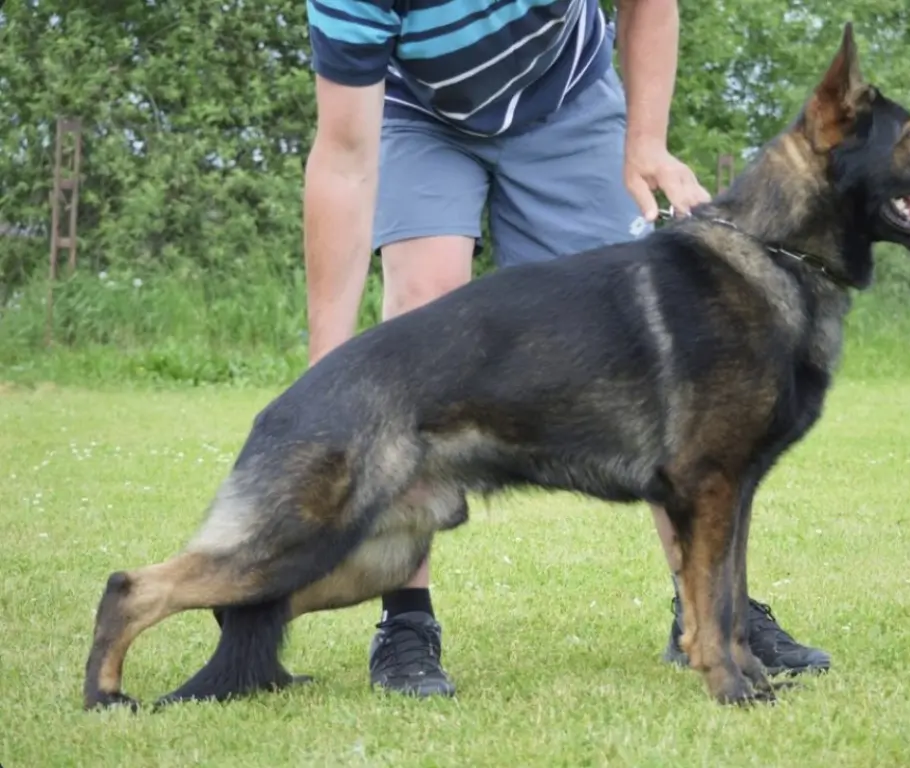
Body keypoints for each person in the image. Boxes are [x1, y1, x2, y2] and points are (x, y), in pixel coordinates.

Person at [302, 0, 830, 697]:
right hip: (418, 112)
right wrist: (326, 364)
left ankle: (708, 612)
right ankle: (406, 625)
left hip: (566, 98)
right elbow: (343, 163)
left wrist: (645, 141)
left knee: (644, 353)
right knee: (421, 320)